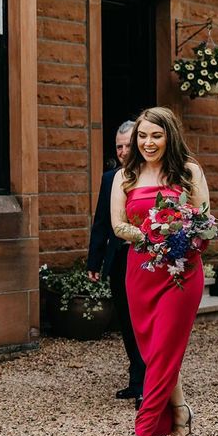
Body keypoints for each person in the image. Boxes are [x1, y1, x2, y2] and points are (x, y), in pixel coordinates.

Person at [110, 107, 208, 436]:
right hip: (140, 272)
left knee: (165, 349)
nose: (148, 142)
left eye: (156, 135)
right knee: (155, 354)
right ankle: (180, 411)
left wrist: (177, 234)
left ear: (170, 136)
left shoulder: (188, 171)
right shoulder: (125, 176)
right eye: (142, 136)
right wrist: (150, 235)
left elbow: (204, 218)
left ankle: (143, 431)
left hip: (180, 272)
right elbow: (118, 225)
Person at [87, 120, 145, 408]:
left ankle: (152, 382)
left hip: (149, 258)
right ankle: (137, 381)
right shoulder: (110, 178)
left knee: (147, 321)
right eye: (118, 146)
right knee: (127, 320)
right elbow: (101, 223)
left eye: (127, 145)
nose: (123, 151)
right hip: (120, 259)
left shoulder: (153, 176)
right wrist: (94, 261)